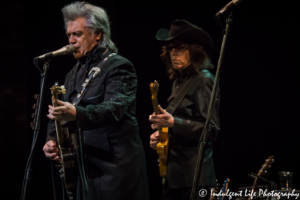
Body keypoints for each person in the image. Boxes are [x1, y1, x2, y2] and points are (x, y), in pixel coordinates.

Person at [42, 2, 149, 200]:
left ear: (98, 34)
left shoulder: (119, 66)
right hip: (85, 167)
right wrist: (52, 140)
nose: (71, 41)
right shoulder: (72, 73)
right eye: (69, 35)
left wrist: (76, 113)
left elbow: (115, 107)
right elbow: (60, 114)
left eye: (78, 34)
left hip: (115, 168)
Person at [149, 19, 220, 200]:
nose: (174, 53)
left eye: (180, 48)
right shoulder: (178, 83)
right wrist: (162, 135)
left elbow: (211, 130)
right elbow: (180, 127)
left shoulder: (204, 79)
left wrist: (173, 123)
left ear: (195, 51)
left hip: (195, 179)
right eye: (171, 48)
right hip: (174, 177)